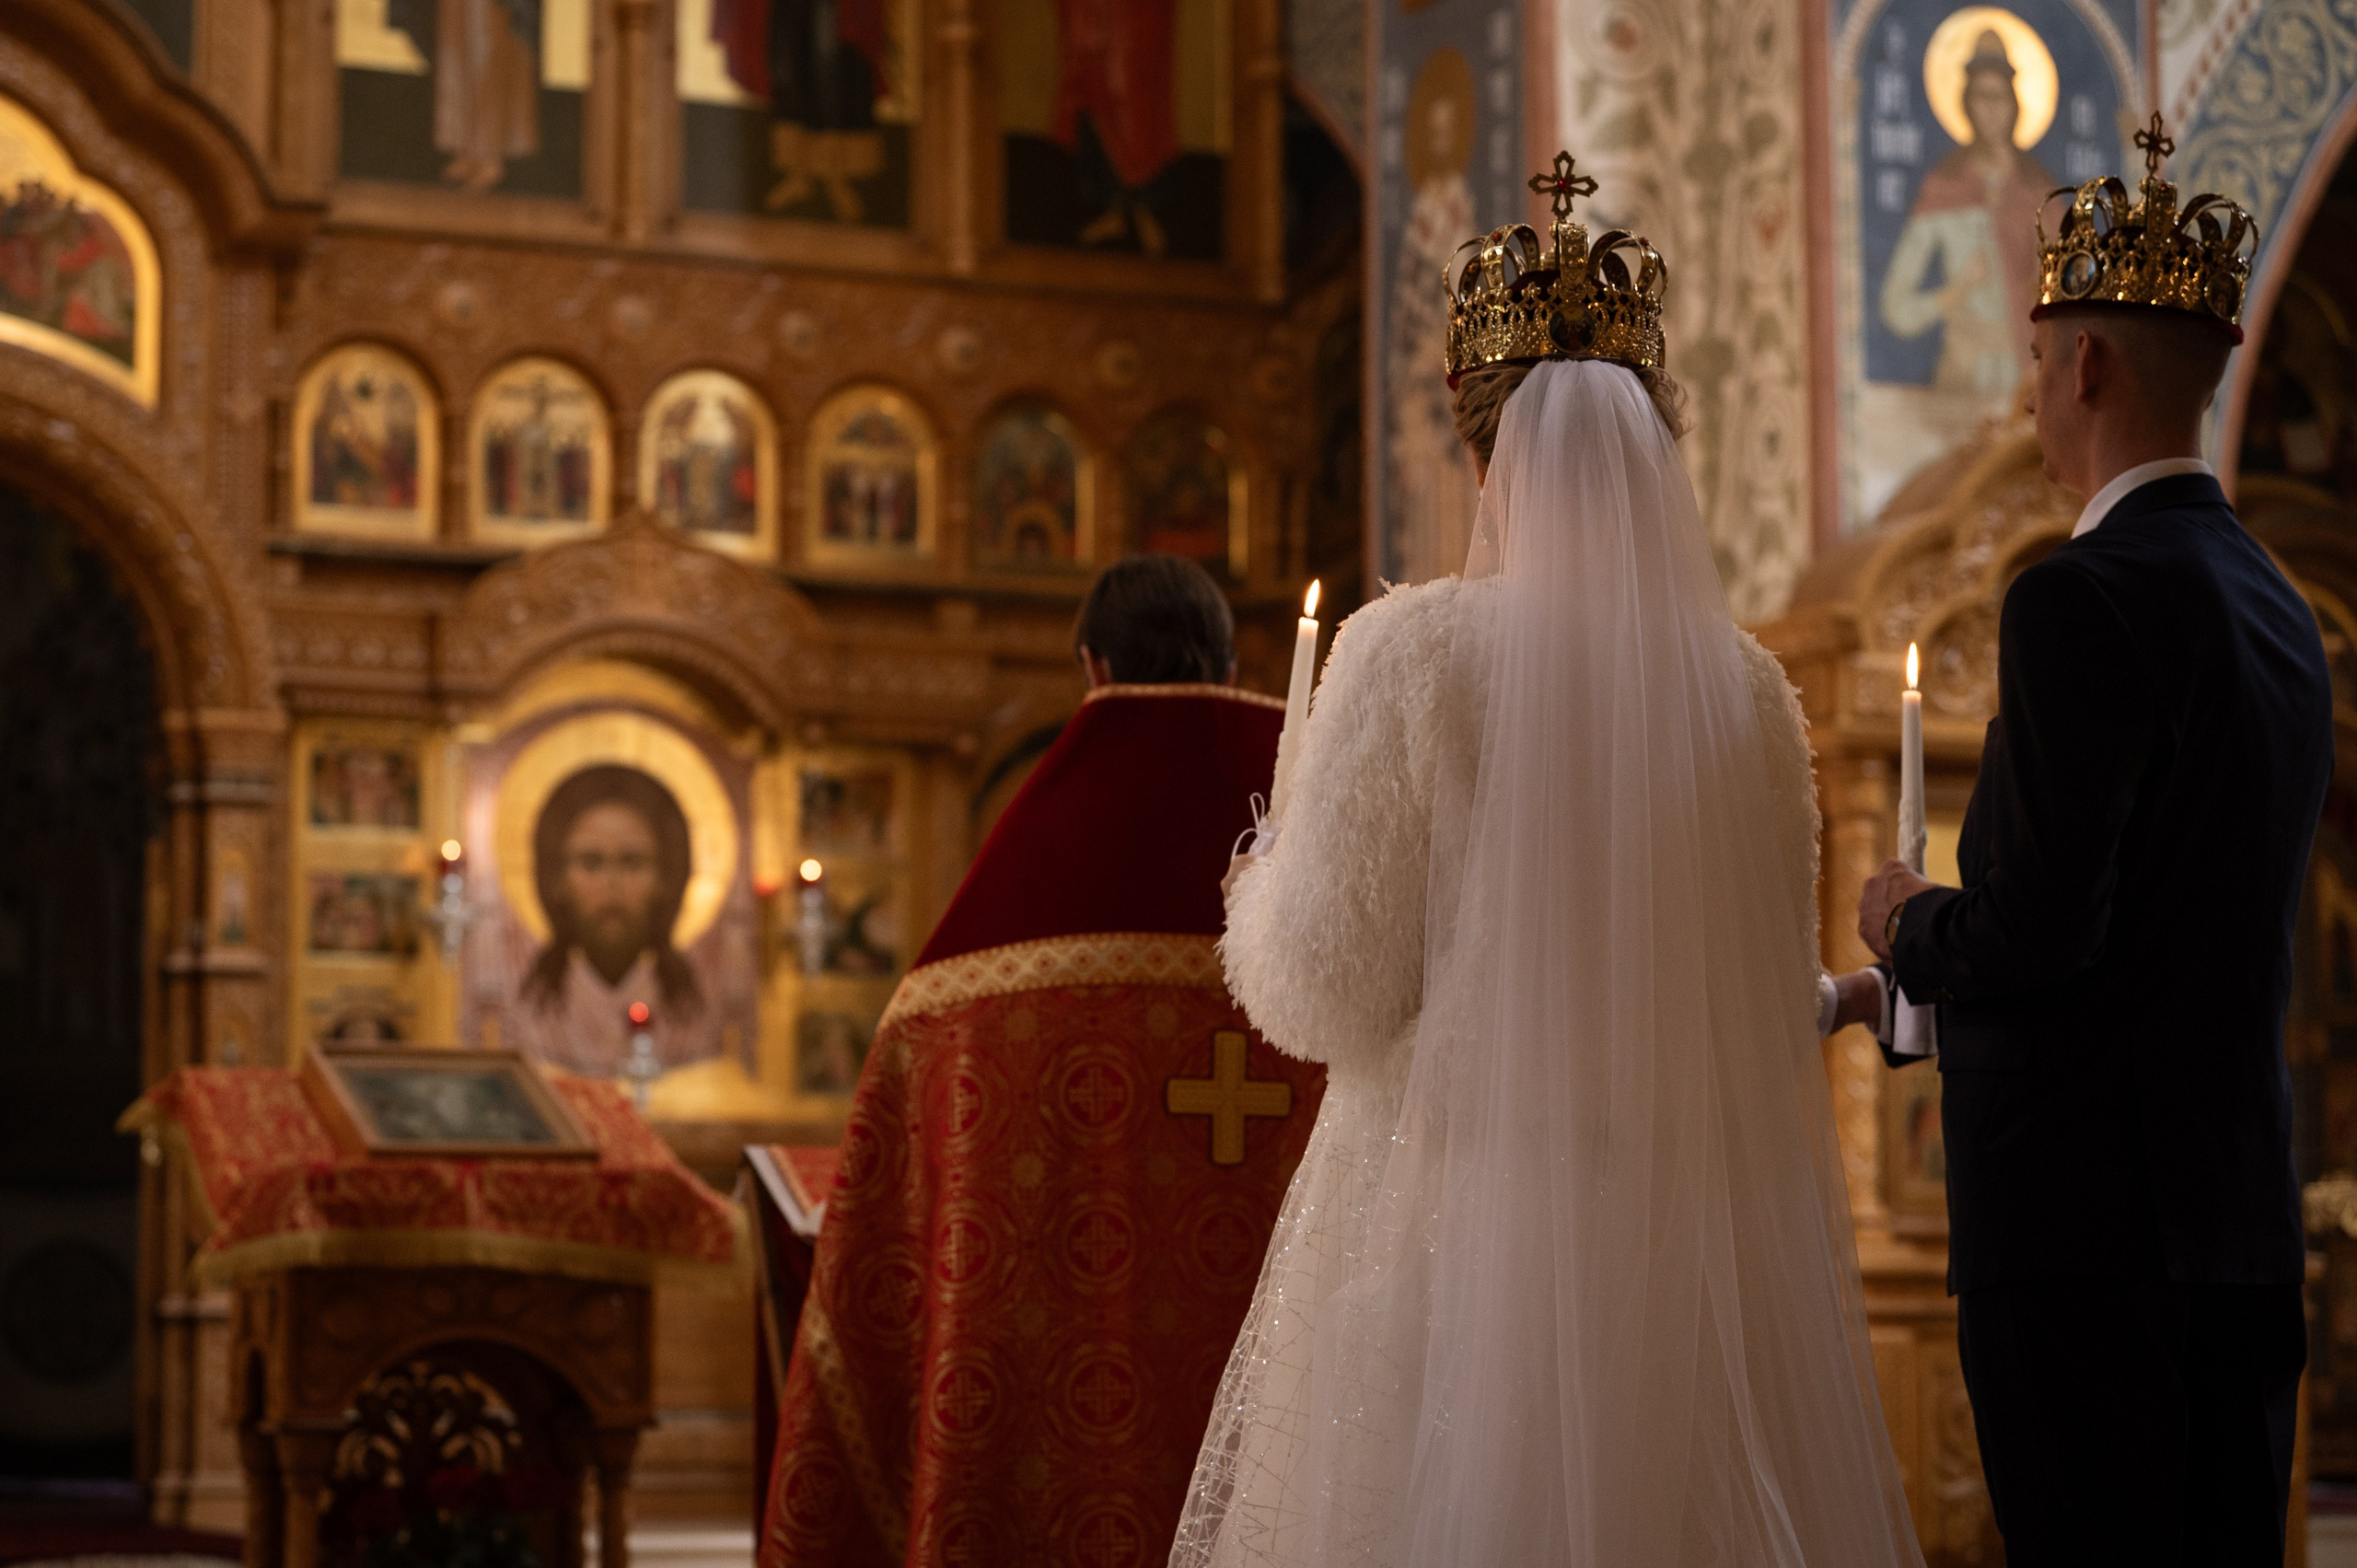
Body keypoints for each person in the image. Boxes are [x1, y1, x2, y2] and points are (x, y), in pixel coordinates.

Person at [1173, 166, 1923, 1566]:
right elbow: (1764, 1002)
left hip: (1460, 1235)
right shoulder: (1748, 690)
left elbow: (1323, 992)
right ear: (1661, 451)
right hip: (1678, 1255)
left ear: (1480, 453)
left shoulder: (1411, 654)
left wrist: (1264, 873)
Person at [1846, 125, 2333, 1564]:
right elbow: (2169, 931)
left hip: (2083, 1249)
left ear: (2089, 367)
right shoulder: (2282, 612)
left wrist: (1904, 919)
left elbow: (2043, 928)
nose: (2031, 393)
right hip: (2236, 1218)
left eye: (2034, 356)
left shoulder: (2080, 598)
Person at [761, 554, 1323, 1568]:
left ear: (1090, 665)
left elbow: (897, 1160)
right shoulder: (1310, 850)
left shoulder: (982, 953)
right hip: (1297, 1380)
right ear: (1232, 657)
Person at [505, 764, 714, 1075]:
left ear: (664, 879)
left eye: (632, 863)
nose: (612, 884)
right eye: (591, 863)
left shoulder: (692, 1011)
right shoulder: (529, 1008)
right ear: (558, 879)